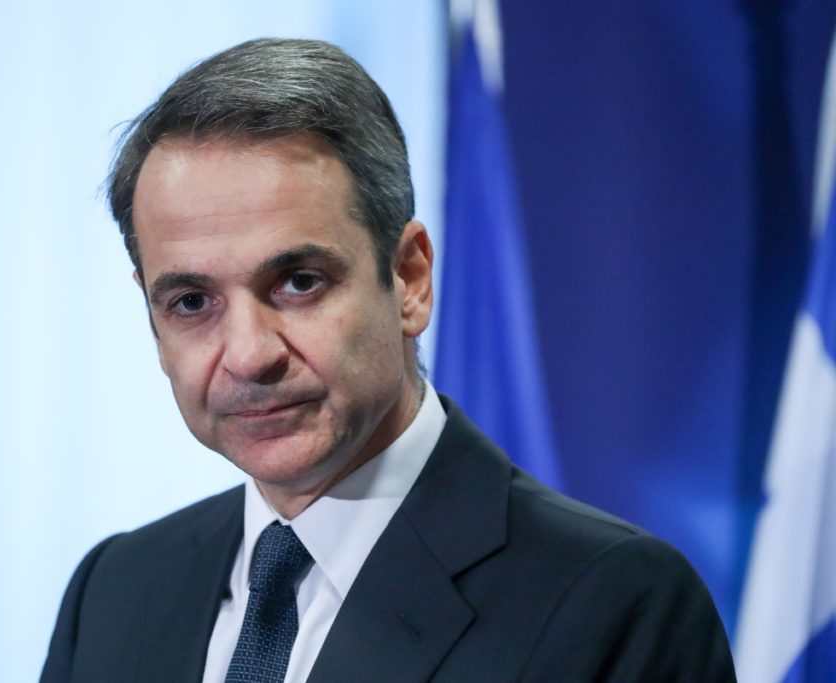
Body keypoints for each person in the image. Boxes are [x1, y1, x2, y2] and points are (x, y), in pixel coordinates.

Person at [40, 38, 736, 683]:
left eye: (299, 283)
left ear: (409, 280)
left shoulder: (612, 604)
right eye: (192, 301)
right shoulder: (115, 590)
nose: (249, 356)